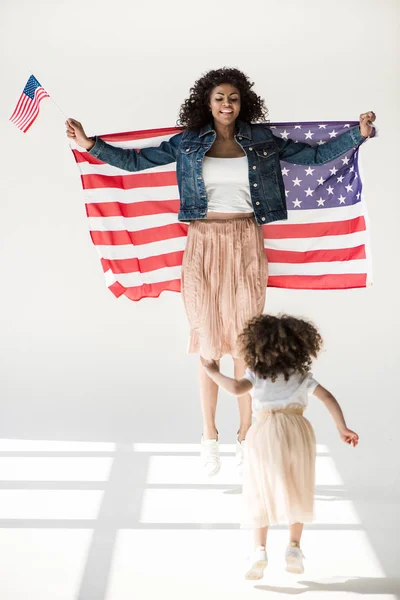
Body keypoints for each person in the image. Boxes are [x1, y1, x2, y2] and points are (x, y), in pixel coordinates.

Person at [65, 68, 372, 476]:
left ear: (243, 103)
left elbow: (313, 156)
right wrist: (90, 144)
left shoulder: (261, 141)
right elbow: (137, 162)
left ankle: (246, 436)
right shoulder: (188, 143)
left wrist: (359, 133)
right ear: (206, 104)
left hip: (246, 238)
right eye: (219, 99)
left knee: (247, 344)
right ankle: (209, 437)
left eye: (233, 98)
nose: (227, 105)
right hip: (202, 242)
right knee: (208, 340)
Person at [201, 314, 359, 579]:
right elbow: (328, 397)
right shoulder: (300, 375)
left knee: (259, 488)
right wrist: (342, 427)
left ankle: (259, 550)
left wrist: (214, 372)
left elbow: (237, 388)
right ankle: (294, 547)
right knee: (298, 486)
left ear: (256, 347)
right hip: (298, 430)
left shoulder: (256, 374)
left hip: (265, 431)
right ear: (300, 347)